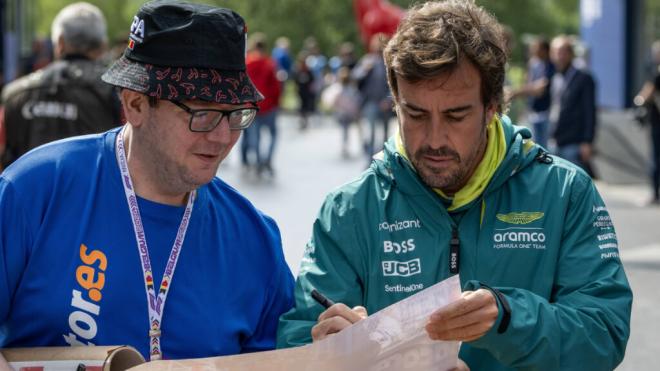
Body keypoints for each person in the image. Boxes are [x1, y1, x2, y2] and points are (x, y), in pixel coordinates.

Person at [277, 1, 632, 370]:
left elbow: (604, 334)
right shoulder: (349, 209)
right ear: (395, 103)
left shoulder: (565, 192)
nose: (434, 139)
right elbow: (299, 336)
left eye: (455, 115)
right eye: (414, 114)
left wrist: (510, 319)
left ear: (492, 106)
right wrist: (324, 352)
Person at [0, 0, 294, 362]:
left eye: (236, 115)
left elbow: (282, 355)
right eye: (201, 113)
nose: (222, 137)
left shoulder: (255, 238)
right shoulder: (34, 191)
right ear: (135, 105)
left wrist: (326, 346)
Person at [0, 2, 121, 168]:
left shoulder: (14, 93)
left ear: (60, 42)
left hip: (29, 192)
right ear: (103, 45)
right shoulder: (118, 93)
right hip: (91, 192)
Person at [549, 35, 598, 177]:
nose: (559, 56)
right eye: (555, 52)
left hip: (574, 142)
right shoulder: (556, 77)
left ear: (570, 54)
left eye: (562, 52)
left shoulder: (584, 78)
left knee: (575, 186)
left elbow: (590, 111)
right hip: (555, 140)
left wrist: (587, 141)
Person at [352, 33, 394, 162]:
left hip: (385, 103)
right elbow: (355, 76)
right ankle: (370, 159)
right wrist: (364, 70)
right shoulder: (367, 60)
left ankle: (384, 159)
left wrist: (388, 100)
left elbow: (395, 84)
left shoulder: (390, 62)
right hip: (370, 102)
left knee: (385, 134)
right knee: (371, 132)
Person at [245, 33, 282, 177]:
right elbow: (275, 86)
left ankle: (258, 161)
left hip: (252, 104)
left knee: (255, 136)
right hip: (268, 105)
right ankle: (268, 159)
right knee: (273, 134)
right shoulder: (269, 63)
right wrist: (277, 102)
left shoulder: (247, 63)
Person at [510, 37, 554, 148]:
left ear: (544, 50)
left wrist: (515, 93)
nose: (533, 51)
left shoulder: (551, 66)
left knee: (544, 148)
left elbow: (540, 89)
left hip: (546, 113)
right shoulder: (534, 64)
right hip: (532, 112)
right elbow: (530, 84)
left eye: (536, 48)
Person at [633, 40, 660, 206]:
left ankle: (655, 193)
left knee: (656, 158)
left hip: (657, 122)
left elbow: (646, 94)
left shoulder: (656, 74)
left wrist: (639, 100)